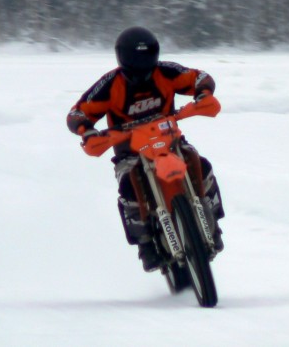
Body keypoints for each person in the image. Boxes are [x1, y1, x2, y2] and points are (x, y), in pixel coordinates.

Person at [67, 26, 224, 272]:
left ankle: (213, 221)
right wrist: (86, 130)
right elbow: (78, 112)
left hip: (170, 140)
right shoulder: (109, 84)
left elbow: (199, 77)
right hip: (129, 151)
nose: (142, 72)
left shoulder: (167, 71)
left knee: (200, 164)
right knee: (128, 183)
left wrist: (203, 94)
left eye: (147, 62)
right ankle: (145, 243)